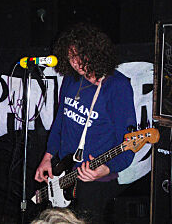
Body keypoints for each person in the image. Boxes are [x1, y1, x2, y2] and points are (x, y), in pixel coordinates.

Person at [34, 22, 136, 223]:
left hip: (95, 179)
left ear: (96, 53)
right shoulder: (71, 80)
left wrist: (105, 169)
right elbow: (60, 123)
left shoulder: (117, 86)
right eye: (71, 56)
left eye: (82, 55)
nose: (76, 62)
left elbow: (128, 143)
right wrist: (47, 157)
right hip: (63, 173)